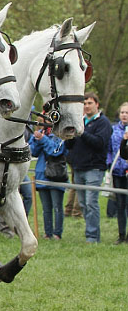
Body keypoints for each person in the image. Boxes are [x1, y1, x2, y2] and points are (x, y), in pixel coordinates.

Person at [65, 92, 111, 243]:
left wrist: (82, 132)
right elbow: (70, 145)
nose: (86, 106)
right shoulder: (80, 121)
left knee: (92, 202)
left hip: (94, 168)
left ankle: (92, 236)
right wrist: (69, 135)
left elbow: (100, 143)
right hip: (78, 167)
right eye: (84, 104)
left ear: (97, 104)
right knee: (83, 203)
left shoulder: (103, 122)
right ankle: (89, 232)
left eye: (90, 103)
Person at [29, 121, 67, 240]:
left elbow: (55, 151)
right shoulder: (41, 133)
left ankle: (57, 233)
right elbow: (33, 151)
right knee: (46, 208)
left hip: (57, 175)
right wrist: (37, 139)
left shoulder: (62, 134)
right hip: (41, 174)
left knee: (57, 207)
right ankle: (47, 233)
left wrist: (43, 139)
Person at [107, 102, 128, 243]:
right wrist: (109, 165)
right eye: (122, 113)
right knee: (120, 205)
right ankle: (121, 234)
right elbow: (108, 149)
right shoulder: (113, 130)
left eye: (127, 113)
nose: (124, 115)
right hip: (117, 171)